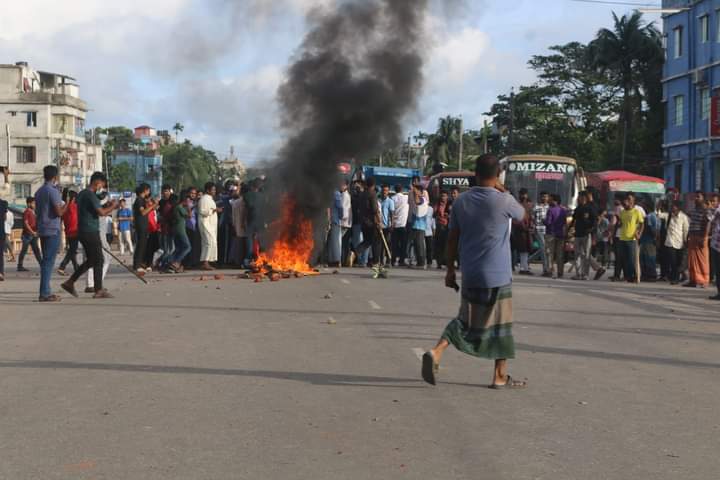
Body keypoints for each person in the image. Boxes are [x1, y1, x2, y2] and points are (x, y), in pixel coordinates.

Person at [421, 154, 527, 389]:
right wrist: (503, 190)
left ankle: (437, 351)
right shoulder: (504, 200)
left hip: (470, 273)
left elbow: (452, 239)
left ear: (475, 174)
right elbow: (523, 216)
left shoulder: (461, 202)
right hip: (498, 275)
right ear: (498, 174)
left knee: (464, 320)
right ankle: (499, 376)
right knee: (501, 326)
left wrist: (450, 270)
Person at [60, 172, 119, 299]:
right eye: (101, 186)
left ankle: (70, 282)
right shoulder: (90, 195)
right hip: (90, 231)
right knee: (99, 260)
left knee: (92, 260)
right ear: (97, 183)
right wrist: (113, 206)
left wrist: (106, 205)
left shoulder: (82, 194)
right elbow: (102, 213)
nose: (101, 188)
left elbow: (95, 209)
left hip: (83, 230)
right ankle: (99, 290)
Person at [35, 165, 68, 302]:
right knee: (48, 261)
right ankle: (45, 293)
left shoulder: (39, 191)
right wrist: (68, 203)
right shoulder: (53, 191)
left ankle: (45, 291)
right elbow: (59, 212)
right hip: (52, 229)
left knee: (46, 260)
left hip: (42, 227)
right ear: (55, 177)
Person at [616, 193, 644, 283]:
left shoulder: (636, 212)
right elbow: (620, 223)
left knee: (632, 259)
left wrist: (639, 233)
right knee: (624, 259)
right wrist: (618, 223)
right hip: (622, 238)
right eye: (623, 203)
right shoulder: (622, 212)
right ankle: (628, 276)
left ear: (631, 202)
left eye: (627, 201)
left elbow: (642, 223)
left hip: (632, 239)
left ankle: (634, 276)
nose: (624, 204)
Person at [356, 177, 381, 267]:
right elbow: (375, 209)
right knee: (376, 241)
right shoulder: (372, 194)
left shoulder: (362, 194)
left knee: (367, 241)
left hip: (363, 221)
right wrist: (379, 220)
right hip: (371, 222)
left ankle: (355, 252)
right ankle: (376, 262)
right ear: (373, 185)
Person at [664, 201, 689, 285]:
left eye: (674, 206)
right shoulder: (669, 216)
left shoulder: (684, 217)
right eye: (672, 206)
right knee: (672, 261)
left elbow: (685, 230)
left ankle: (677, 277)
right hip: (670, 242)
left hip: (680, 243)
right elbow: (658, 214)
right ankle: (675, 278)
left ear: (678, 208)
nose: (672, 208)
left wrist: (685, 241)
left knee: (678, 262)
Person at [198, 182, 221, 270]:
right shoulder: (204, 199)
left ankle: (207, 261)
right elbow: (202, 211)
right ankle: (205, 262)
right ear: (208, 190)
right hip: (205, 223)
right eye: (213, 190)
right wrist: (214, 210)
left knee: (209, 242)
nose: (214, 191)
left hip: (209, 224)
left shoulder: (209, 199)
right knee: (208, 242)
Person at [132, 183, 155, 273]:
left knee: (143, 245)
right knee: (141, 245)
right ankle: (137, 265)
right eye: (148, 190)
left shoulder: (142, 200)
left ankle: (139, 263)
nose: (149, 192)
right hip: (141, 225)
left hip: (143, 225)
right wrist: (152, 206)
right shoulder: (139, 200)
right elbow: (143, 212)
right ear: (145, 190)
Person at [543, 194, 566, 279]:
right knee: (559, 255)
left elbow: (548, 222)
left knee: (550, 254)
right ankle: (560, 273)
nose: (548, 201)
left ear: (555, 201)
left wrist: (543, 221)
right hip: (560, 234)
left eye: (550, 199)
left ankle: (550, 271)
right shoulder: (563, 210)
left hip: (551, 234)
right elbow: (564, 223)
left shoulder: (551, 210)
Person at [328, 180, 350, 267]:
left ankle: (336, 260)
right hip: (335, 220)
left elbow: (340, 207)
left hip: (336, 220)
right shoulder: (336, 193)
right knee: (334, 241)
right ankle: (333, 259)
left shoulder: (336, 193)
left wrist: (341, 216)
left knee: (336, 241)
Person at [17, 197, 42, 272]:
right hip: (27, 235)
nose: (35, 205)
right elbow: (26, 224)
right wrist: (32, 232)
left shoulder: (34, 212)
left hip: (33, 235)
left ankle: (42, 264)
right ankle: (20, 266)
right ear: (29, 204)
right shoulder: (26, 212)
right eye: (33, 203)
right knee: (24, 250)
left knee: (36, 250)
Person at [169, 194, 192, 272]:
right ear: (184, 201)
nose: (189, 202)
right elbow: (189, 215)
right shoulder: (180, 207)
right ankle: (176, 262)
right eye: (188, 201)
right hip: (180, 230)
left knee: (178, 248)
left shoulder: (177, 207)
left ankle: (170, 264)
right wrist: (189, 207)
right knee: (187, 247)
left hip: (175, 229)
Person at [57, 190, 79, 275]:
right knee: (72, 250)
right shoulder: (74, 207)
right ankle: (62, 266)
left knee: (72, 250)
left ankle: (76, 267)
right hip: (75, 231)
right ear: (73, 199)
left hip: (68, 232)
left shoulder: (64, 208)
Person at [408, 183, 429, 268]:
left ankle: (421, 262)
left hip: (419, 227)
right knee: (416, 245)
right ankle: (419, 262)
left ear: (420, 192)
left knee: (419, 245)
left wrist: (416, 193)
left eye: (416, 191)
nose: (413, 193)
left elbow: (418, 203)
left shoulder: (422, 199)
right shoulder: (417, 198)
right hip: (415, 225)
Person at [529, 191, 550, 276]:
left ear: (548, 198)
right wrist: (532, 227)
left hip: (548, 231)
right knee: (544, 249)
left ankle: (528, 260)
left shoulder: (549, 207)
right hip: (538, 230)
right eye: (542, 197)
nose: (544, 198)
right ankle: (545, 269)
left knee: (544, 250)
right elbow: (532, 218)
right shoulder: (536, 207)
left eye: (545, 197)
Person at [512, 198, 533, 275]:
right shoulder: (521, 212)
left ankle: (525, 267)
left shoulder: (527, 212)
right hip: (521, 235)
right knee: (523, 252)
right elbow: (519, 223)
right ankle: (523, 268)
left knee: (525, 252)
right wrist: (527, 228)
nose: (530, 206)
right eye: (529, 203)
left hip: (525, 235)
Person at [639, 201, 659, 282]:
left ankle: (651, 275)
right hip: (647, 240)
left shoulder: (650, 216)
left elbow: (652, 229)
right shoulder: (652, 216)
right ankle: (647, 274)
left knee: (649, 258)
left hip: (648, 240)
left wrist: (655, 238)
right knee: (647, 258)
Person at [391, 184, 409, 267]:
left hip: (394, 224)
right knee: (403, 244)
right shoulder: (405, 198)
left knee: (394, 244)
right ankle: (401, 260)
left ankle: (393, 260)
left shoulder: (392, 199)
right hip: (403, 224)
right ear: (401, 189)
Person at [157, 185, 175, 267]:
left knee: (171, 249)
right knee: (168, 249)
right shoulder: (161, 202)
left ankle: (162, 262)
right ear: (162, 192)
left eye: (167, 191)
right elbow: (160, 215)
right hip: (165, 228)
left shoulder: (173, 201)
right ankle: (162, 263)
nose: (166, 193)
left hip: (172, 228)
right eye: (164, 191)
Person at [434, 190, 450, 269]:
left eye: (444, 196)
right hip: (439, 226)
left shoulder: (450, 205)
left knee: (446, 245)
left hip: (447, 226)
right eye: (442, 196)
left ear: (447, 197)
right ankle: (439, 262)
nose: (443, 197)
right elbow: (434, 214)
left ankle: (446, 261)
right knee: (439, 245)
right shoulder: (437, 204)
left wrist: (448, 215)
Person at [379, 184, 394, 267]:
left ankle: (388, 261)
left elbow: (392, 214)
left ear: (388, 192)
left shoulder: (390, 201)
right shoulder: (379, 200)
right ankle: (381, 261)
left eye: (386, 190)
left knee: (387, 244)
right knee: (381, 245)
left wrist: (392, 224)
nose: (384, 192)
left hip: (387, 226)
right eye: (383, 190)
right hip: (380, 226)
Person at [709, 197, 720, 300]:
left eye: (713, 201)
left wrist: (710, 209)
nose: (711, 203)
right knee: (717, 270)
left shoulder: (717, 210)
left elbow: (709, 218)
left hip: (717, 244)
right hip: (716, 244)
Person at [424, 203, 435, 268]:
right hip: (421, 229)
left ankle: (429, 261)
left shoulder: (431, 209)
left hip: (429, 231)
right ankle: (420, 260)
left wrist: (434, 229)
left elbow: (432, 219)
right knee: (421, 247)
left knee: (429, 247)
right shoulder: (419, 207)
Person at [0, 196, 7, 281]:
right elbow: (4, 218)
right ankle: (0, 272)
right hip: (1, 232)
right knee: (0, 254)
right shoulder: (3, 203)